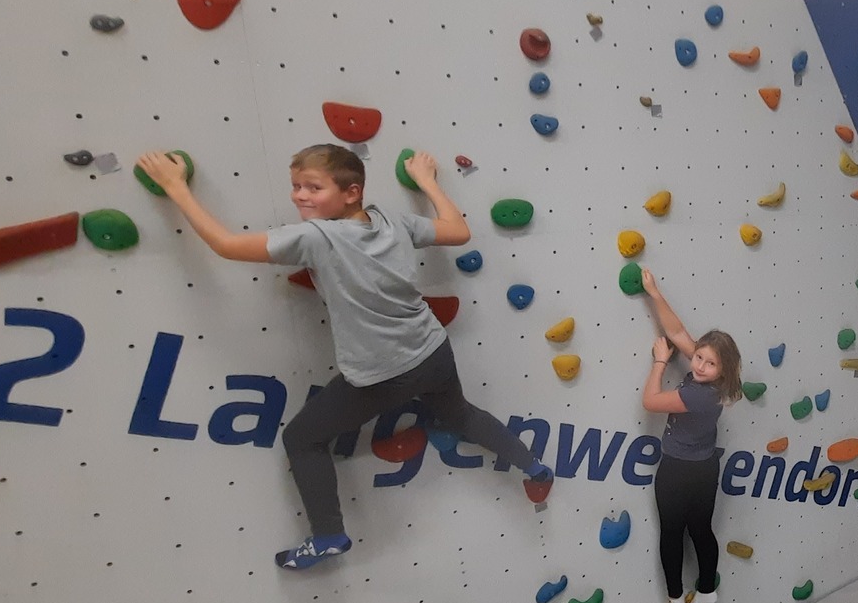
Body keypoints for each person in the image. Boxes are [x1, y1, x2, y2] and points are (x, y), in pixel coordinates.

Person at [136, 144, 550, 570]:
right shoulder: (392, 221)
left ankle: (328, 535)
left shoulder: (317, 237)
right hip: (431, 349)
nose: (300, 196)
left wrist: (176, 187)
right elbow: (458, 231)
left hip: (383, 373)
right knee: (459, 414)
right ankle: (535, 468)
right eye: (296, 186)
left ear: (352, 192)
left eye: (313, 188)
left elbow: (226, 244)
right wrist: (427, 182)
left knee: (302, 438)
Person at [637, 269, 743, 603]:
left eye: (710, 363)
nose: (699, 365)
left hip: (678, 471)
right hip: (705, 467)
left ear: (723, 369)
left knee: (672, 532)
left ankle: (675, 596)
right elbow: (677, 331)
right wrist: (655, 293)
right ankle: (707, 589)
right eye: (699, 357)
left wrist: (659, 362)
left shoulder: (698, 395)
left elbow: (651, 401)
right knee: (700, 529)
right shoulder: (718, 384)